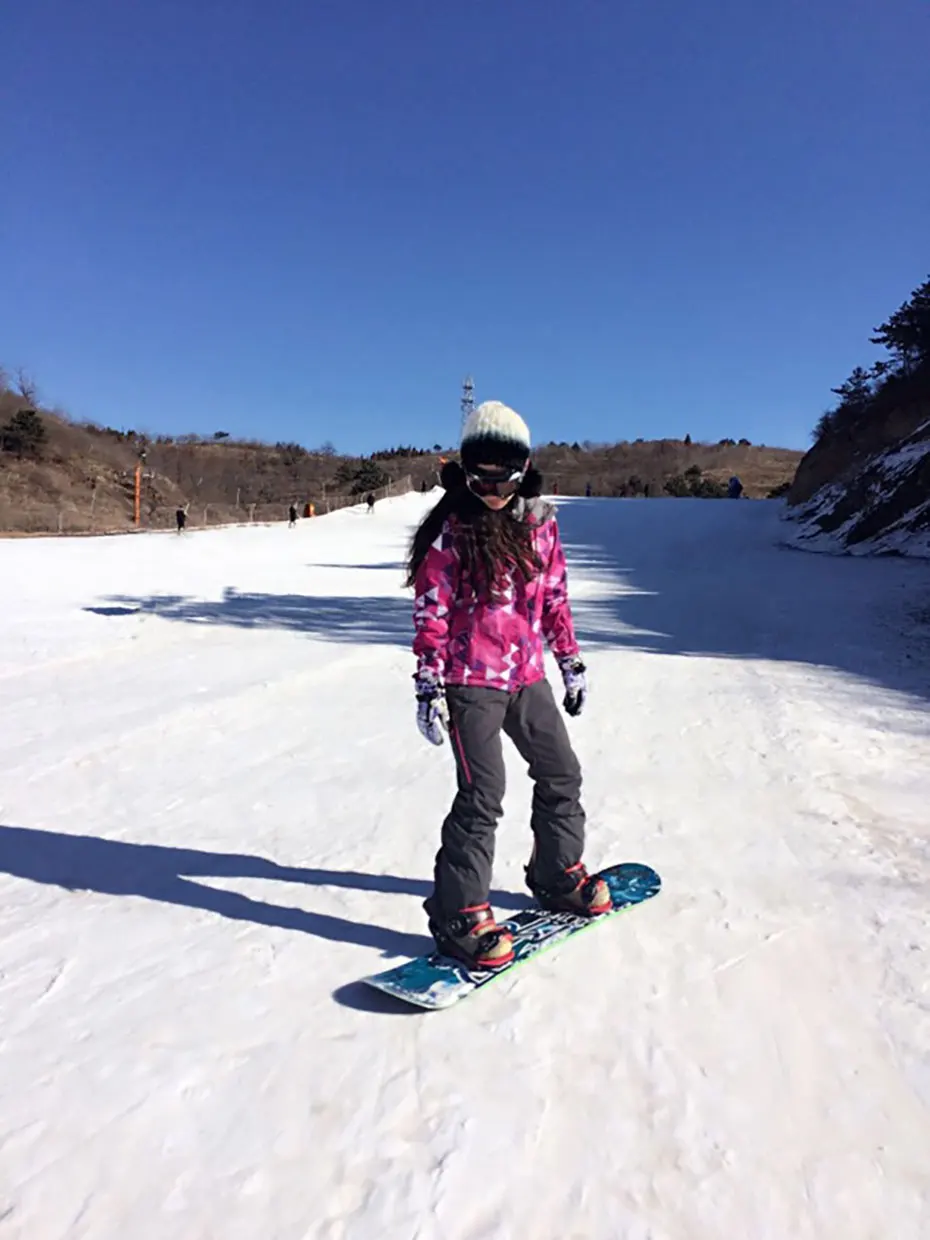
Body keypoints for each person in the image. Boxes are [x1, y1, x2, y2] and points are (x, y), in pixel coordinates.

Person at [406, 400, 610, 970]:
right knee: (482, 794)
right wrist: (428, 683)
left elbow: (554, 597)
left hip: (526, 675)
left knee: (561, 770)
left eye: (505, 478)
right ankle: (459, 912)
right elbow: (432, 610)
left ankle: (556, 873)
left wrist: (569, 659)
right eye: (479, 478)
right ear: (464, 472)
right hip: (470, 679)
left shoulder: (540, 523)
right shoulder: (453, 530)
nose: (492, 490)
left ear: (524, 470)